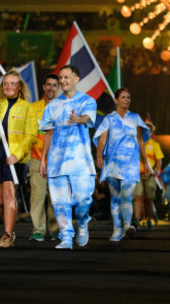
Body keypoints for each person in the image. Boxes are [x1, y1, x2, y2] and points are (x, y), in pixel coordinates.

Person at [39, 65, 97, 250]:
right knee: (59, 202)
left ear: (76, 79)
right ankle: (66, 238)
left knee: (83, 200)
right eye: (60, 78)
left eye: (66, 77)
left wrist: (78, 119)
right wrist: (43, 159)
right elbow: (48, 133)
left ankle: (82, 222)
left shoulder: (88, 101)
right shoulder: (52, 106)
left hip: (81, 163)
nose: (62, 81)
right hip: (56, 162)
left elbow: (87, 118)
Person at [0, 69, 37, 248]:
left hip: (12, 158)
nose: (9, 87)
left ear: (19, 87)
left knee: (8, 193)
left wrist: (17, 155)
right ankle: (9, 228)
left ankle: (6, 236)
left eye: (13, 83)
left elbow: (31, 136)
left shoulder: (28, 107)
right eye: (6, 84)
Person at [94, 88, 151, 241]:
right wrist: (99, 155)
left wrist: (145, 162)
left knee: (127, 194)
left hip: (131, 163)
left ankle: (127, 225)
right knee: (115, 197)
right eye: (123, 97)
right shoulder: (109, 119)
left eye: (129, 97)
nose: (127, 100)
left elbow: (140, 140)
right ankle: (117, 229)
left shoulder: (135, 118)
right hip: (113, 163)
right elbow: (102, 139)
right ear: (116, 100)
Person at [28, 73, 60, 242]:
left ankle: (55, 229)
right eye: (48, 84)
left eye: (54, 85)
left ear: (58, 88)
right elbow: (29, 134)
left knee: (56, 196)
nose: (51, 88)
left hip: (57, 160)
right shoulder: (33, 108)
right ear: (43, 87)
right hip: (36, 157)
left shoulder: (64, 108)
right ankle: (38, 230)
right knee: (38, 195)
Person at [133, 121, 162, 229]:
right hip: (137, 175)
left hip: (150, 175)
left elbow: (159, 161)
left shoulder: (155, 145)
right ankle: (136, 220)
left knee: (149, 198)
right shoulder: (135, 144)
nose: (147, 132)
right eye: (145, 129)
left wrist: (157, 171)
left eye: (149, 130)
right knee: (138, 197)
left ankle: (148, 219)